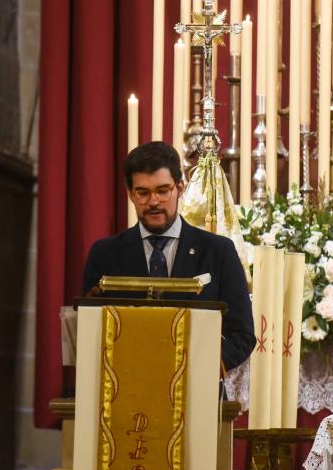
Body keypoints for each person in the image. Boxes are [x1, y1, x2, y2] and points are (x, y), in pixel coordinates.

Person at [82, 141, 255, 372]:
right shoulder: (104, 254)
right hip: (123, 388)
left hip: (197, 388)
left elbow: (242, 333)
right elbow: (89, 329)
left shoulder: (218, 251)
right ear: (130, 194)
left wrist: (206, 365)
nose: (153, 202)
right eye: (143, 192)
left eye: (163, 191)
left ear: (179, 189)